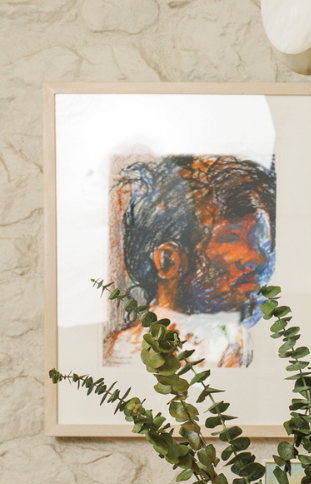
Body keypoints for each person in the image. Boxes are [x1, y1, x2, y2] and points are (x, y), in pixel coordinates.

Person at [104, 152, 276, 371]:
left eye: (254, 239)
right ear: (168, 261)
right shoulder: (127, 353)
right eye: (229, 237)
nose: (257, 258)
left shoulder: (237, 343)